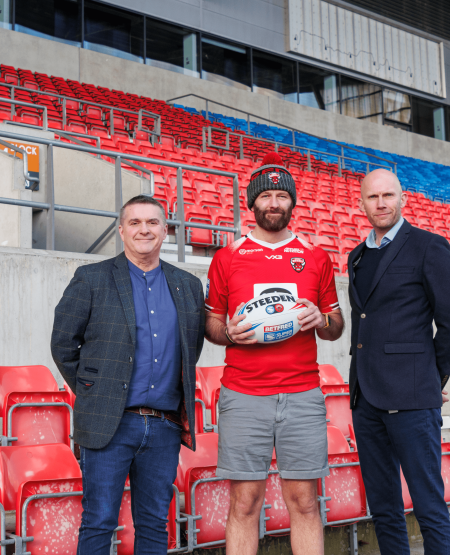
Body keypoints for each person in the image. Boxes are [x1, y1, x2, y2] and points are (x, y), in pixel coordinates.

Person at [204, 152, 345, 555]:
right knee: (244, 503)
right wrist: (229, 333)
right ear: (252, 203)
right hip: (244, 395)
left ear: (292, 202)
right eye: (265, 196)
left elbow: (336, 327)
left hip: (302, 394)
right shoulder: (228, 257)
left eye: (282, 195)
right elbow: (211, 322)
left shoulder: (315, 257)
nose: (274, 203)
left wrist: (321, 319)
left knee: (303, 502)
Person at [50, 194, 206, 555]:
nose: (144, 229)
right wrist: (94, 390)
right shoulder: (91, 279)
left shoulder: (187, 286)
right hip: (110, 423)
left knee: (154, 524)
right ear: (121, 230)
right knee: (99, 520)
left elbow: (190, 348)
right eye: (134, 222)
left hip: (164, 426)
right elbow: (63, 344)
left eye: (152, 222)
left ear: (165, 230)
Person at [347, 169, 450, 555]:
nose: (380, 203)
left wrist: (432, 376)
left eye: (388, 195)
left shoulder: (429, 246)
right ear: (362, 203)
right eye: (372, 197)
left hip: (413, 398)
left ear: (403, 199)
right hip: (365, 399)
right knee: (383, 508)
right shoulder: (357, 256)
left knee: (429, 504)